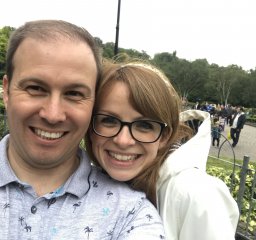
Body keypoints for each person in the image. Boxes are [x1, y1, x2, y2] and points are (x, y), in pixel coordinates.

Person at [0, 20, 165, 239]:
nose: (53, 115)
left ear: (93, 103)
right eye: (36, 88)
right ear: (6, 92)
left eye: (74, 94)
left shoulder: (130, 216)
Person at [85, 61, 239, 240]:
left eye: (144, 125)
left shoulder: (196, 195)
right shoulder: (86, 180)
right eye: (109, 120)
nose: (123, 140)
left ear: (165, 135)